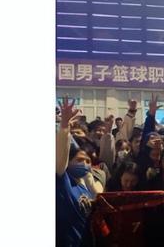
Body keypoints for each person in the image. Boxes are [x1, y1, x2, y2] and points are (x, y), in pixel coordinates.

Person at [56, 97, 100, 247]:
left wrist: (91, 183)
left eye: (88, 161)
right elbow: (61, 155)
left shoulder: (85, 187)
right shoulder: (62, 180)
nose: (85, 164)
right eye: (80, 160)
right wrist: (64, 126)